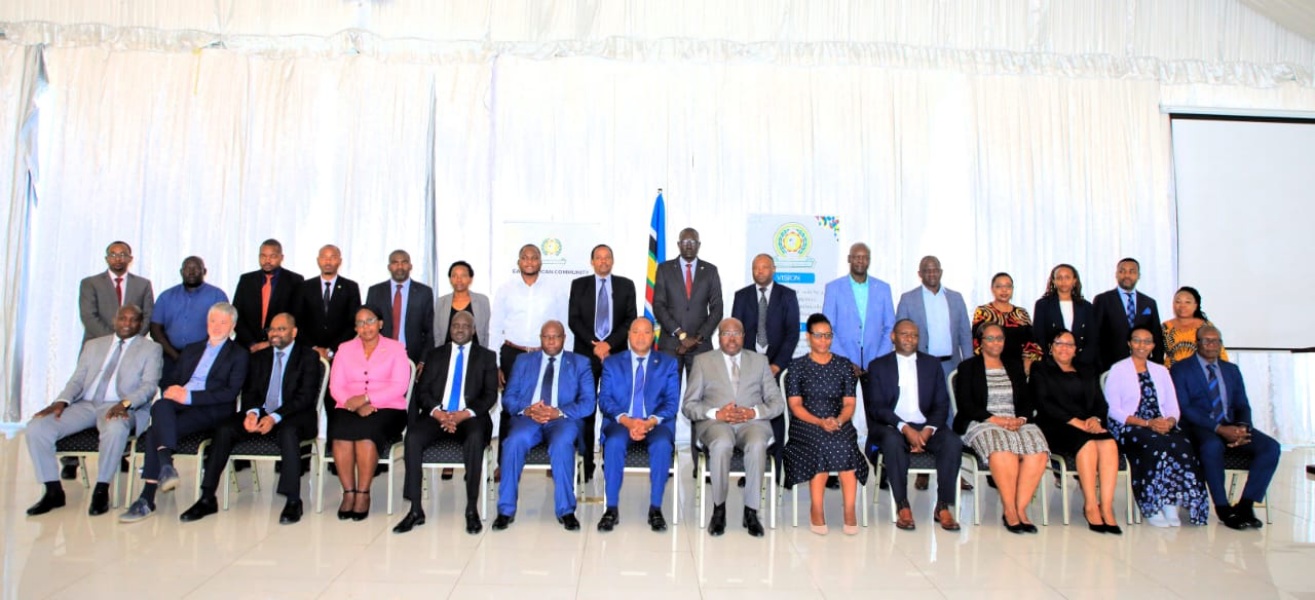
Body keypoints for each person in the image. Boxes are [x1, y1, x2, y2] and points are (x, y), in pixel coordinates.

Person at [178, 313, 322, 525]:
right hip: (262, 413)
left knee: (289, 433)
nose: (275, 333)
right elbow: (250, 392)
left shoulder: (308, 357)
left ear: (294, 332)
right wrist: (252, 413)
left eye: (281, 329)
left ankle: (293, 500)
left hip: (294, 415)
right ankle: (207, 496)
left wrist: (274, 417)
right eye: (272, 329)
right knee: (225, 428)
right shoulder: (259, 357)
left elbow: (305, 397)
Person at [25, 305, 162, 517]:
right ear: (115, 319)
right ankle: (52, 490)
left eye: (133, 320)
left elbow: (149, 386)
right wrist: (61, 401)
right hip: (85, 405)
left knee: (116, 428)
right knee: (37, 427)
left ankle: (101, 488)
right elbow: (77, 380)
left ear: (140, 323)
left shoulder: (151, 349)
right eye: (123, 318)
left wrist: (125, 404)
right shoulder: (93, 345)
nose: (127, 323)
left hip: (120, 406)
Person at [120, 302, 248, 523]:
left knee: (154, 432)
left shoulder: (239, 354)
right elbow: (175, 379)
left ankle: (147, 497)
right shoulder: (192, 349)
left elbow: (230, 393)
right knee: (160, 405)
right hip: (180, 404)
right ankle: (166, 467)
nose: (217, 326)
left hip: (212, 410)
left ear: (232, 326)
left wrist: (188, 397)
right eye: (213, 321)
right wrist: (173, 390)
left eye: (223, 322)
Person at [393, 311, 499, 535]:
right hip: (437, 415)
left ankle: (471, 509)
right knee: (412, 437)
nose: (459, 329)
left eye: (465, 326)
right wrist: (439, 413)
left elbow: (489, 395)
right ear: (450, 329)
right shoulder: (435, 355)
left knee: (474, 438)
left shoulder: (487, 357)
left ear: (474, 330)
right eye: (455, 325)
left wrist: (464, 413)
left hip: (471, 417)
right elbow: (423, 392)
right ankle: (415, 509)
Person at [682, 318, 786, 537]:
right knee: (721, 444)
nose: (731, 338)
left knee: (758, 444)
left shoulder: (759, 361)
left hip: (752, 423)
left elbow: (777, 403)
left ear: (744, 337)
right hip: (716, 423)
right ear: (718, 337)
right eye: (726, 333)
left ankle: (751, 511)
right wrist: (716, 413)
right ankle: (719, 510)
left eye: (736, 333)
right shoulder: (703, 361)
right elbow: (689, 406)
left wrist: (753, 412)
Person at [1171, 325, 1278, 530]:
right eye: (1207, 341)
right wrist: (1219, 429)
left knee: (1271, 447)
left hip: (1232, 425)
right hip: (1199, 427)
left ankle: (1245, 505)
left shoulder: (1231, 370)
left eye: (1216, 341)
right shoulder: (1181, 369)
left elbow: (1242, 404)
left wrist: (1242, 428)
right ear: (1197, 343)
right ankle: (1222, 507)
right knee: (1212, 447)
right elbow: (1185, 408)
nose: (1212, 345)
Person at [492, 321, 595, 532]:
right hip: (530, 418)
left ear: (564, 338)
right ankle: (505, 510)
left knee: (562, 444)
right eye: (546, 336)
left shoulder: (580, 363)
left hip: (562, 419)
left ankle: (566, 511)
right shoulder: (523, 361)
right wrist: (528, 409)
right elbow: (509, 399)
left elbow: (588, 403)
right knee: (513, 442)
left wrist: (558, 411)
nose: (551, 340)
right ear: (540, 338)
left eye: (555, 336)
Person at [1105, 327, 1210, 527]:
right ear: (1129, 343)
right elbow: (1113, 409)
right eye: (1137, 340)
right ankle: (1151, 505)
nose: (1141, 345)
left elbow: (1173, 406)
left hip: (1161, 424)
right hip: (1131, 426)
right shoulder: (1119, 369)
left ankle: (1171, 502)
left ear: (1153, 346)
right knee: (1154, 445)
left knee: (1182, 445)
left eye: (1147, 341)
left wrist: (1169, 422)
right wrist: (1146, 423)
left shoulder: (1161, 370)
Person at [863, 319, 961, 532]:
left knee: (952, 442)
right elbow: (877, 408)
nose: (910, 339)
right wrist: (905, 428)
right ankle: (903, 505)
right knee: (892, 441)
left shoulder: (932, 364)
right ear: (893, 337)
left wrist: (927, 430)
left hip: (926, 426)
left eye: (914, 335)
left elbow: (941, 404)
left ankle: (943, 505)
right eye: (904, 334)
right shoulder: (878, 366)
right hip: (891, 426)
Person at [954, 323, 1049, 534]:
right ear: (979, 343)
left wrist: (1022, 419)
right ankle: (1009, 510)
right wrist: (994, 419)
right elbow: (966, 404)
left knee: (1038, 449)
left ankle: (1021, 509)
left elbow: (1026, 399)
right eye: (990, 338)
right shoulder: (968, 367)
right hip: (981, 422)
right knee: (1002, 448)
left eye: (1000, 338)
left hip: (1015, 421)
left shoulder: (1014, 365)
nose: (996, 342)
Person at [783, 314, 869, 535]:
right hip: (807, 423)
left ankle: (849, 510)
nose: (823, 341)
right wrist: (820, 422)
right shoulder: (797, 366)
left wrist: (838, 420)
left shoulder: (843, 366)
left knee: (846, 445)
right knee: (821, 445)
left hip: (839, 420)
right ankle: (816, 509)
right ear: (808, 337)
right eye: (818, 336)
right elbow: (795, 406)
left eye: (828, 336)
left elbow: (850, 403)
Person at [1031, 330, 1122, 534]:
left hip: (1088, 424)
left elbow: (1100, 402)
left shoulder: (1088, 370)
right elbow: (1043, 403)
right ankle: (1090, 505)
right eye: (1059, 343)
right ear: (1051, 348)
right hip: (1055, 425)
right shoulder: (1041, 368)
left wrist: (1095, 419)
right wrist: (1076, 422)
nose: (1064, 348)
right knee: (1088, 444)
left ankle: (1106, 507)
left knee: (1109, 443)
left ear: (1075, 350)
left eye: (1069, 345)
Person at [327, 306, 412, 521]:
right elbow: (335, 386)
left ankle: (363, 493)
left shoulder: (396, 348)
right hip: (348, 405)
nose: (366, 327)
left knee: (366, 435)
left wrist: (367, 398)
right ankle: (348, 492)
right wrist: (353, 403)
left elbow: (399, 385)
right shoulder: (344, 349)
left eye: (370, 321)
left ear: (380, 323)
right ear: (355, 327)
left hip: (388, 407)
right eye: (360, 323)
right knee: (340, 433)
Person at [595, 317, 680, 533]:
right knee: (613, 443)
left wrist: (649, 422)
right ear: (628, 335)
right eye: (636, 332)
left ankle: (655, 508)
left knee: (662, 445)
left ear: (653, 336)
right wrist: (627, 420)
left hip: (655, 423)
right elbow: (605, 400)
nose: (641, 337)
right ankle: (611, 508)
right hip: (621, 421)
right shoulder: (612, 363)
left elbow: (671, 403)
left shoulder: (668, 363)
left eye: (646, 332)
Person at [568, 244, 638, 482]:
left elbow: (630, 319)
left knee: (614, 407)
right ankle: (585, 464)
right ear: (592, 262)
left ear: (613, 261)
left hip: (615, 356)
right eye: (598, 258)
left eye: (607, 257)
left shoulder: (626, 285)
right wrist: (595, 345)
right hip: (586, 356)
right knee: (586, 411)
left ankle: (611, 459)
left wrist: (608, 344)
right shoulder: (579, 285)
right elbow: (573, 320)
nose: (603, 261)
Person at [730, 253, 800, 477]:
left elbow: (792, 334)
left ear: (773, 269)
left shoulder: (788, 296)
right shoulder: (742, 296)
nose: (759, 272)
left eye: (764, 268)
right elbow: (735, 333)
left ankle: (778, 468)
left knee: (775, 416)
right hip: (748, 366)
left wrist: (777, 365)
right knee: (748, 415)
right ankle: (749, 471)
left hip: (775, 367)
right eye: (755, 268)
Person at [652, 227, 723, 373]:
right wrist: (680, 334)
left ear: (699, 245)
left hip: (700, 345)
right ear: (678, 244)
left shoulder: (710, 271)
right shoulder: (664, 269)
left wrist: (697, 338)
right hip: (671, 345)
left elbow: (717, 308)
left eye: (693, 241)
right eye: (685, 241)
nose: (689, 245)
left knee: (699, 394)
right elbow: (658, 305)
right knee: (668, 394)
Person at [150, 256, 229, 379]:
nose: (191, 272)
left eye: (196, 268)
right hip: (170, 357)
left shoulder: (217, 295)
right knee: (169, 393)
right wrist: (175, 356)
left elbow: (223, 327)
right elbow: (155, 329)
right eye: (187, 268)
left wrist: (201, 354)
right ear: (181, 272)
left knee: (200, 395)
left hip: (206, 357)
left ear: (204, 271)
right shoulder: (166, 296)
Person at [822, 243, 894, 375]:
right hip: (842, 362)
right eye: (856, 257)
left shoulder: (883, 289)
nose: (860, 260)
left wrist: (879, 360)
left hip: (875, 363)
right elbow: (828, 328)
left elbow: (890, 327)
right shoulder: (833, 288)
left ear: (869, 261)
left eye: (865, 257)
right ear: (849, 259)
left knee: (875, 397)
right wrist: (845, 361)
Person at [895, 256, 973, 378]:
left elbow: (965, 335)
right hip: (919, 366)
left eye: (935, 270)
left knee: (951, 397)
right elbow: (900, 336)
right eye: (927, 270)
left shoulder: (956, 298)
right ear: (920, 273)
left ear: (940, 272)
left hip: (951, 366)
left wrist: (969, 365)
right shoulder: (908, 299)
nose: (932, 274)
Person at [232, 239, 305, 353]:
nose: (267, 260)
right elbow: (236, 315)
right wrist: (252, 344)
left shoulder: (294, 281)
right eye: (263, 256)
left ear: (281, 257)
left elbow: (296, 318)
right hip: (245, 346)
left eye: (272, 256)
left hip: (279, 347)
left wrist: (270, 343)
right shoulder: (246, 280)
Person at [1093, 258, 1165, 370]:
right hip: (1110, 365)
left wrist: (1157, 365)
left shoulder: (1149, 303)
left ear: (1138, 275)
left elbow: (1157, 337)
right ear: (1116, 274)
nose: (1127, 275)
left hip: (1142, 365)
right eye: (1122, 271)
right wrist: (1099, 366)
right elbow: (1094, 335)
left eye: (1132, 271)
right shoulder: (1103, 300)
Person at [366, 249, 435, 365]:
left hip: (413, 356)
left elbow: (430, 330)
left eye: (404, 262)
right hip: (380, 354)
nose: (400, 266)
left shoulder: (424, 292)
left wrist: (424, 360)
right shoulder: (375, 291)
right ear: (389, 267)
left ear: (410, 266)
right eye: (395, 263)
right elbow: (369, 326)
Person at [79, 241, 155, 342]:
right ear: (107, 259)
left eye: (122, 255)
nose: (118, 259)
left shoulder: (143, 284)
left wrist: (131, 340)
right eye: (113, 255)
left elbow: (148, 316)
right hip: (97, 343)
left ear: (130, 259)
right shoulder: (90, 283)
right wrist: (114, 340)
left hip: (132, 346)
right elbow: (88, 316)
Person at [296, 244, 362, 361]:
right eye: (324, 257)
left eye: (332, 257)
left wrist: (331, 349)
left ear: (340, 261)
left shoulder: (350, 287)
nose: (328, 261)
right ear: (318, 260)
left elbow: (353, 323)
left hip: (340, 353)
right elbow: (298, 322)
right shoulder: (304, 287)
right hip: (308, 352)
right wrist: (314, 348)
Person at [972, 272, 1042, 374]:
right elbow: (976, 342)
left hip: (1019, 365)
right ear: (992, 289)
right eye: (999, 286)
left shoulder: (1021, 313)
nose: (1004, 290)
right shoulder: (983, 311)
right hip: (991, 365)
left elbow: (1032, 342)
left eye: (1008, 286)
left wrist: (1028, 360)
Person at [1032, 264, 1097, 367]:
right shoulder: (1043, 305)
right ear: (1053, 281)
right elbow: (1039, 337)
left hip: (1081, 364)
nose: (1063, 281)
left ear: (1074, 280)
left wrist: (1083, 360)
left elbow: (1092, 338)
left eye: (1067, 277)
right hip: (1051, 364)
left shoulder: (1086, 306)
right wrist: (1051, 361)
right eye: (1059, 278)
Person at [1163, 286, 1228, 369]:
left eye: (1187, 302)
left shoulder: (1206, 327)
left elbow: (1220, 354)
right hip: (1171, 374)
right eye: (1178, 302)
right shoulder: (1165, 327)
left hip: (1201, 374)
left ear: (1195, 305)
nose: (1182, 305)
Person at [435, 260, 491, 348]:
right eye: (454, 276)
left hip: (476, 353)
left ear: (470, 279)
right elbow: (437, 333)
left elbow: (487, 331)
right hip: (447, 353)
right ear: (450, 279)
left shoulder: (482, 301)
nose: (458, 280)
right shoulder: (441, 302)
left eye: (463, 276)